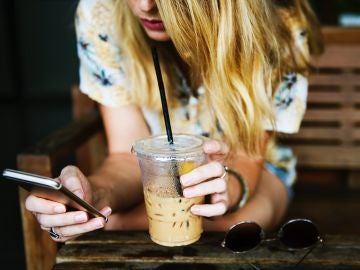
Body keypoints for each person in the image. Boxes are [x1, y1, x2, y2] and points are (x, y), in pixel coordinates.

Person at [25, 0, 323, 242]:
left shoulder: (281, 23)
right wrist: (92, 196)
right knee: (150, 225)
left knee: (233, 227)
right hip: (156, 176)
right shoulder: (101, 14)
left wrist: (226, 189)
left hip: (253, 168)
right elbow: (125, 159)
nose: (145, 6)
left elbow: (248, 155)